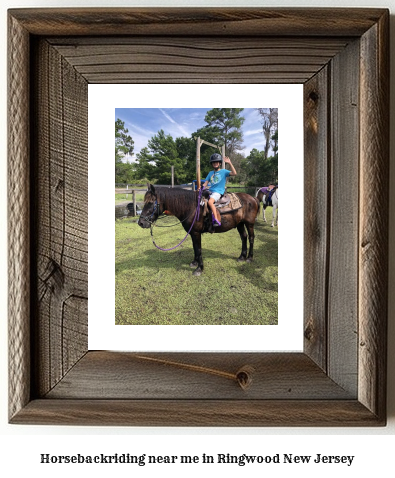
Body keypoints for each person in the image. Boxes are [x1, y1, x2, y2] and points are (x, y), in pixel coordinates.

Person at [202, 153, 237, 227]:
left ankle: (216, 219)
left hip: (218, 192)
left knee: (210, 202)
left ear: (220, 163)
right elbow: (206, 183)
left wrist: (229, 163)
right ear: (212, 164)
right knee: (200, 200)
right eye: (214, 162)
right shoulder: (210, 173)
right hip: (210, 191)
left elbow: (234, 173)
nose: (215, 164)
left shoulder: (224, 171)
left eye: (217, 162)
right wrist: (201, 187)